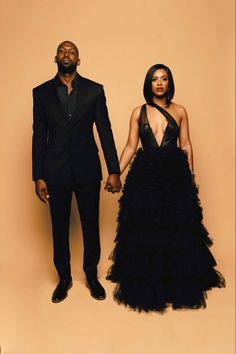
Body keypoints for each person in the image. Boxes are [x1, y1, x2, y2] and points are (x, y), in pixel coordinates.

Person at [106, 64, 225, 312]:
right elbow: (130, 146)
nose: (159, 83)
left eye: (164, 79)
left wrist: (191, 176)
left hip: (175, 175)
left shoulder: (180, 111)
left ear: (169, 83)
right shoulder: (138, 112)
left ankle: (174, 284)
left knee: (177, 229)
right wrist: (115, 173)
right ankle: (150, 284)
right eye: (154, 79)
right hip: (145, 176)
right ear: (148, 84)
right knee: (146, 229)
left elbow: (186, 145)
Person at [32, 41, 121, 303]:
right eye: (62, 51)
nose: (66, 55)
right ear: (55, 57)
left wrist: (113, 170)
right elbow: (39, 136)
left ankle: (91, 276)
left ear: (78, 60)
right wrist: (38, 175)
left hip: (87, 170)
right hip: (55, 170)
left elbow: (105, 130)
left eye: (71, 52)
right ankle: (64, 278)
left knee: (90, 225)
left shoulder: (95, 91)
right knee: (59, 228)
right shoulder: (42, 93)